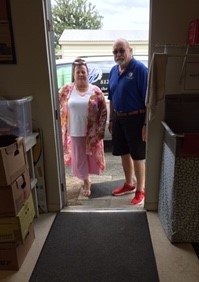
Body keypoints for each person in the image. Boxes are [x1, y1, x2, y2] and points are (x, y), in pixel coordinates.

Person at [59, 58, 107, 197]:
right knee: (79, 159)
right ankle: (86, 182)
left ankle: (87, 178)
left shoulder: (95, 91)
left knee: (91, 157)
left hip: (91, 133)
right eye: (78, 72)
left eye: (83, 71)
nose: (80, 74)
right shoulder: (66, 90)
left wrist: (101, 129)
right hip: (74, 131)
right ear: (74, 74)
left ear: (87, 73)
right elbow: (56, 105)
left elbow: (103, 111)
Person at [108, 38, 148, 205]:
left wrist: (146, 124)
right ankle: (129, 184)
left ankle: (140, 190)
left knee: (137, 155)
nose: (118, 54)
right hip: (118, 118)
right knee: (123, 152)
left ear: (130, 51)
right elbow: (111, 97)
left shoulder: (140, 69)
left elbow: (148, 100)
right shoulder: (113, 70)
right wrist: (111, 119)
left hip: (136, 119)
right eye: (115, 51)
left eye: (122, 50)